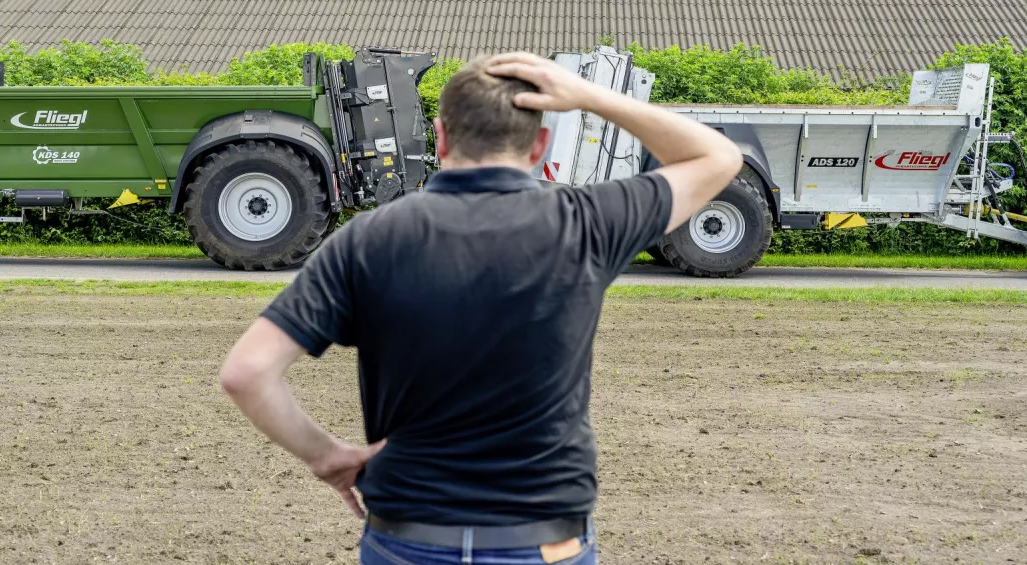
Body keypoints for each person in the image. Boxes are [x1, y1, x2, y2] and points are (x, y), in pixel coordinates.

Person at [220, 52, 743, 564]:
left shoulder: (368, 240)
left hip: (407, 535)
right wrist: (590, 97)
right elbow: (717, 158)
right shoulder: (588, 222)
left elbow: (247, 373)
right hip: (543, 538)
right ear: (540, 145)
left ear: (441, 137)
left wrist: (327, 457)